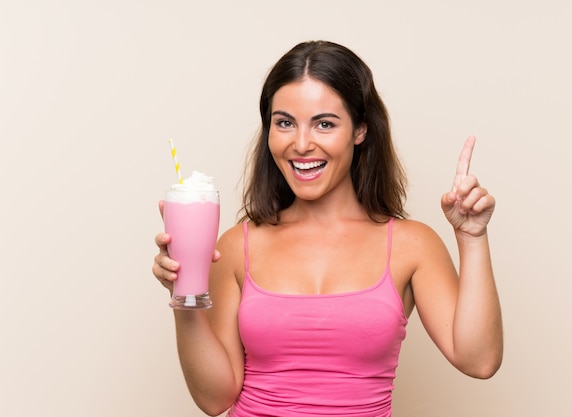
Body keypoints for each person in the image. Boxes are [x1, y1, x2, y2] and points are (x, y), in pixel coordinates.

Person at [152, 40, 503, 417]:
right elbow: (215, 399)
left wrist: (472, 237)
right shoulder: (236, 246)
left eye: (324, 124)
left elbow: (479, 361)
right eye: (284, 123)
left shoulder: (411, 245)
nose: (301, 144)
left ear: (360, 130)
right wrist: (183, 297)